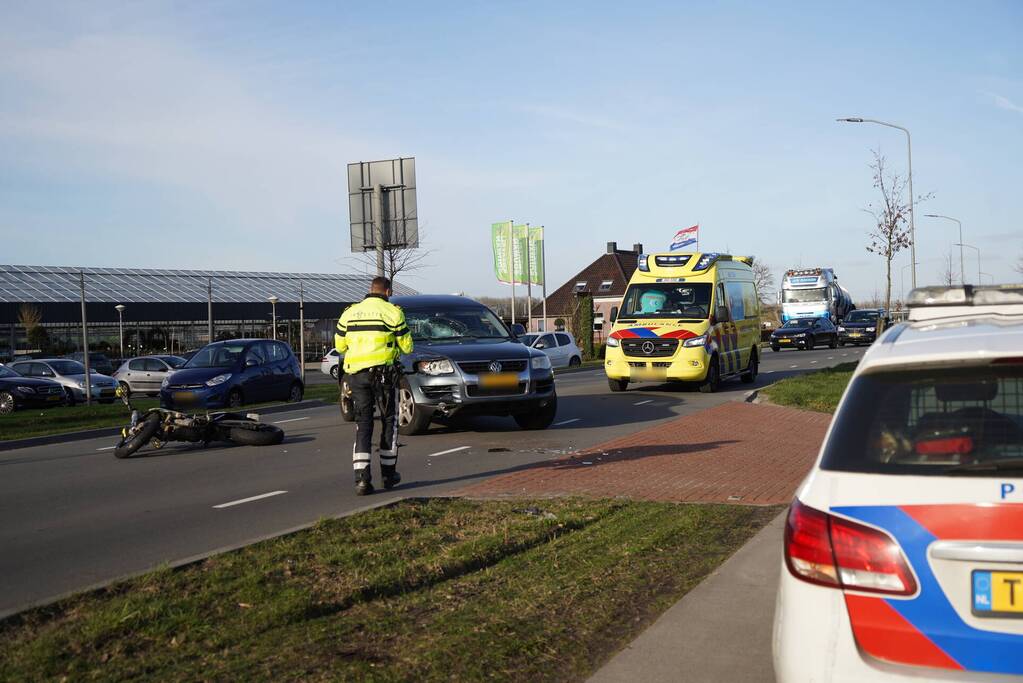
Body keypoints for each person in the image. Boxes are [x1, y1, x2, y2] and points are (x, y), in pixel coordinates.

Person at [334, 277, 414, 495]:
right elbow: (407, 347)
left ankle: (362, 479)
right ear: (387, 291)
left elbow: (339, 345)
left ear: (370, 290)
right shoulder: (393, 313)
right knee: (390, 422)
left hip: (357, 376)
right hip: (384, 376)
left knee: (363, 425)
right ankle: (388, 475)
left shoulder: (350, 313)